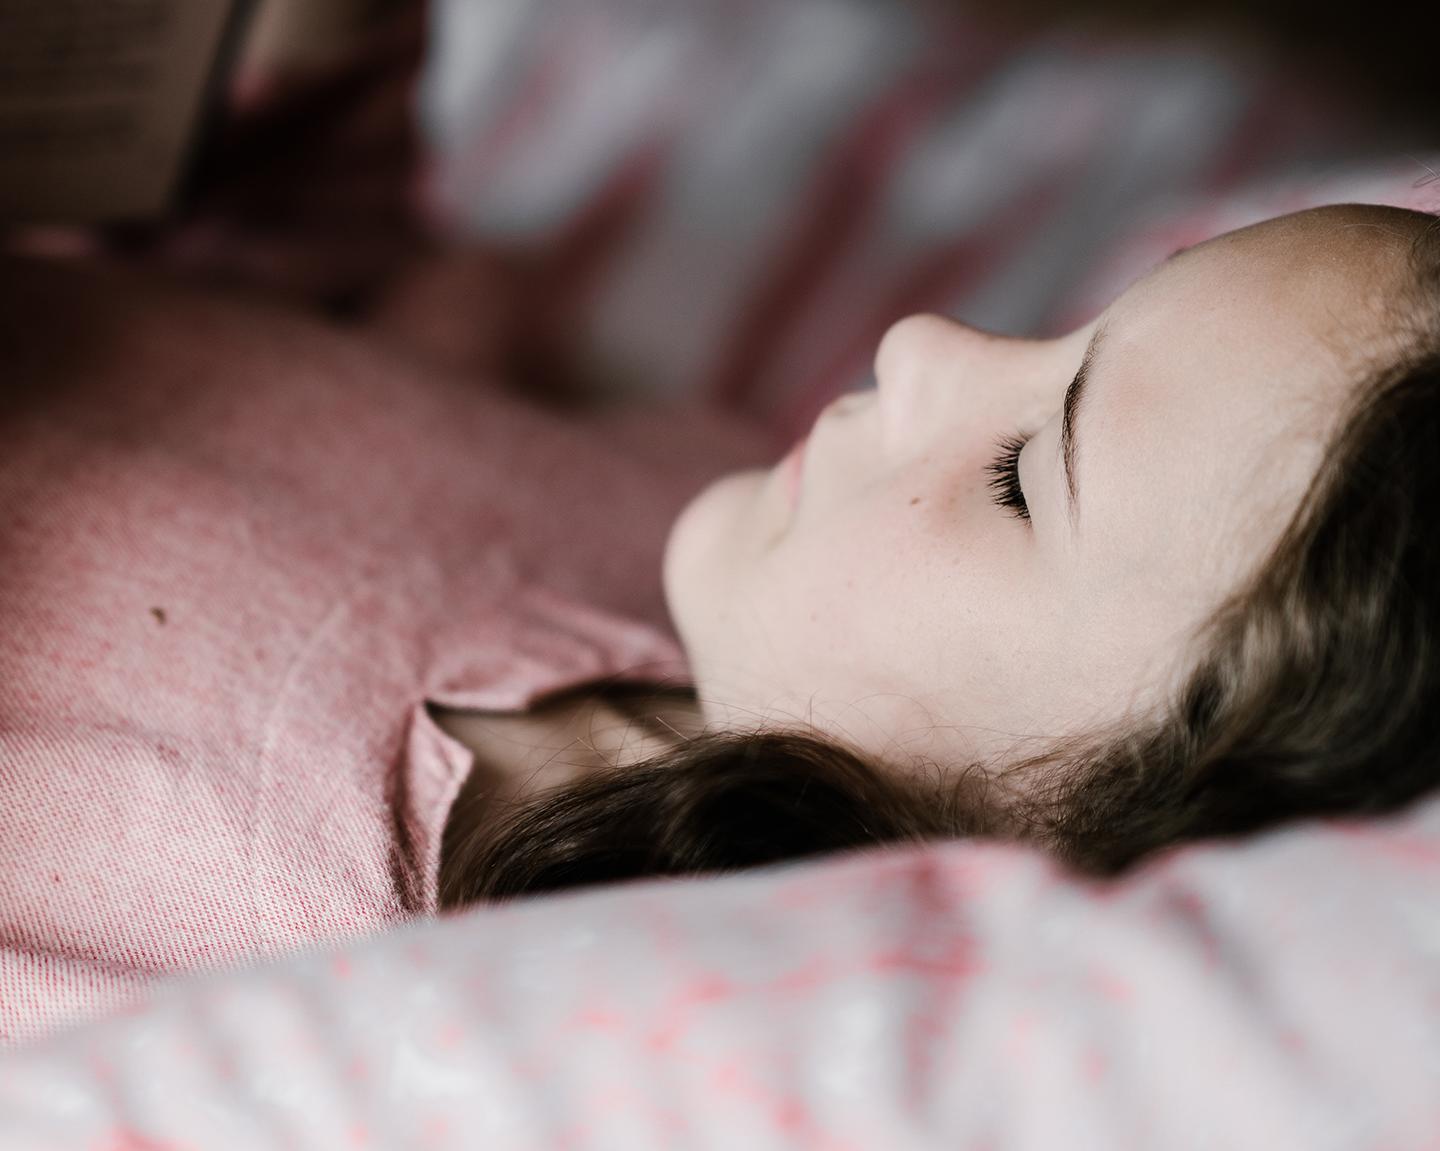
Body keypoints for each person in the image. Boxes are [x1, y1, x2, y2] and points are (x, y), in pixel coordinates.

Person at [434, 201, 1440, 907]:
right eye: (1069, 330)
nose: (920, 341)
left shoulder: (442, 935)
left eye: (1019, 478)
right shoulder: (694, 488)